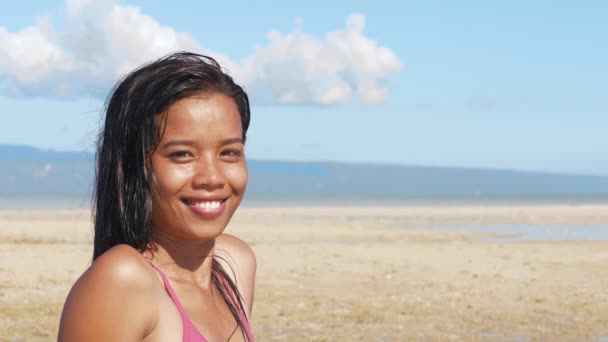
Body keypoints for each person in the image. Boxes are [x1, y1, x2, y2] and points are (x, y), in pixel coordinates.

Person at [58, 52, 256, 342]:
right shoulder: (122, 280)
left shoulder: (234, 266)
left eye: (229, 152)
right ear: (136, 166)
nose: (212, 177)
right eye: (182, 155)